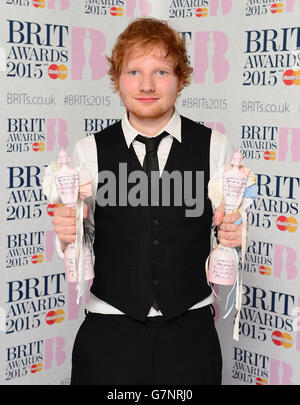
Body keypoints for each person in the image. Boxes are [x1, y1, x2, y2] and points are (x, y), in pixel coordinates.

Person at [52, 17, 243, 385]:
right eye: (134, 71)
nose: (146, 85)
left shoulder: (216, 147)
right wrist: (67, 235)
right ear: (118, 79)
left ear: (181, 78)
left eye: (161, 72)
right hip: (108, 333)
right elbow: (81, 240)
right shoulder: (87, 151)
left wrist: (231, 238)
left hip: (191, 335)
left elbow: (223, 232)